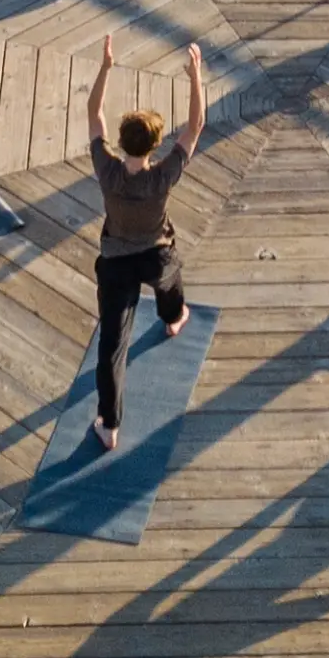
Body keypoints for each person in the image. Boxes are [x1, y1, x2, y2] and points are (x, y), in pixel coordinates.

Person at [83, 30, 206, 451]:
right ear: (155, 145)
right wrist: (195, 78)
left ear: (122, 142)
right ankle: (173, 318)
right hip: (155, 255)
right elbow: (195, 127)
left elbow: (92, 112)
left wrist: (105, 67)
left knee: (112, 347)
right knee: (171, 277)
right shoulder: (162, 176)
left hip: (116, 261)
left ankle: (109, 424)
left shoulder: (107, 169)